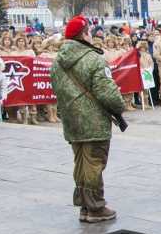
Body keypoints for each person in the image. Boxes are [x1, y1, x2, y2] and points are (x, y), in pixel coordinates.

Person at [50, 15, 126, 223]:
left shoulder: (58, 62)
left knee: (81, 163)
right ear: (83, 35)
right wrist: (120, 107)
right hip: (93, 120)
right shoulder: (93, 59)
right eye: (89, 32)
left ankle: (84, 206)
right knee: (94, 163)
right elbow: (107, 92)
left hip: (71, 120)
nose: (91, 35)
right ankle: (95, 207)